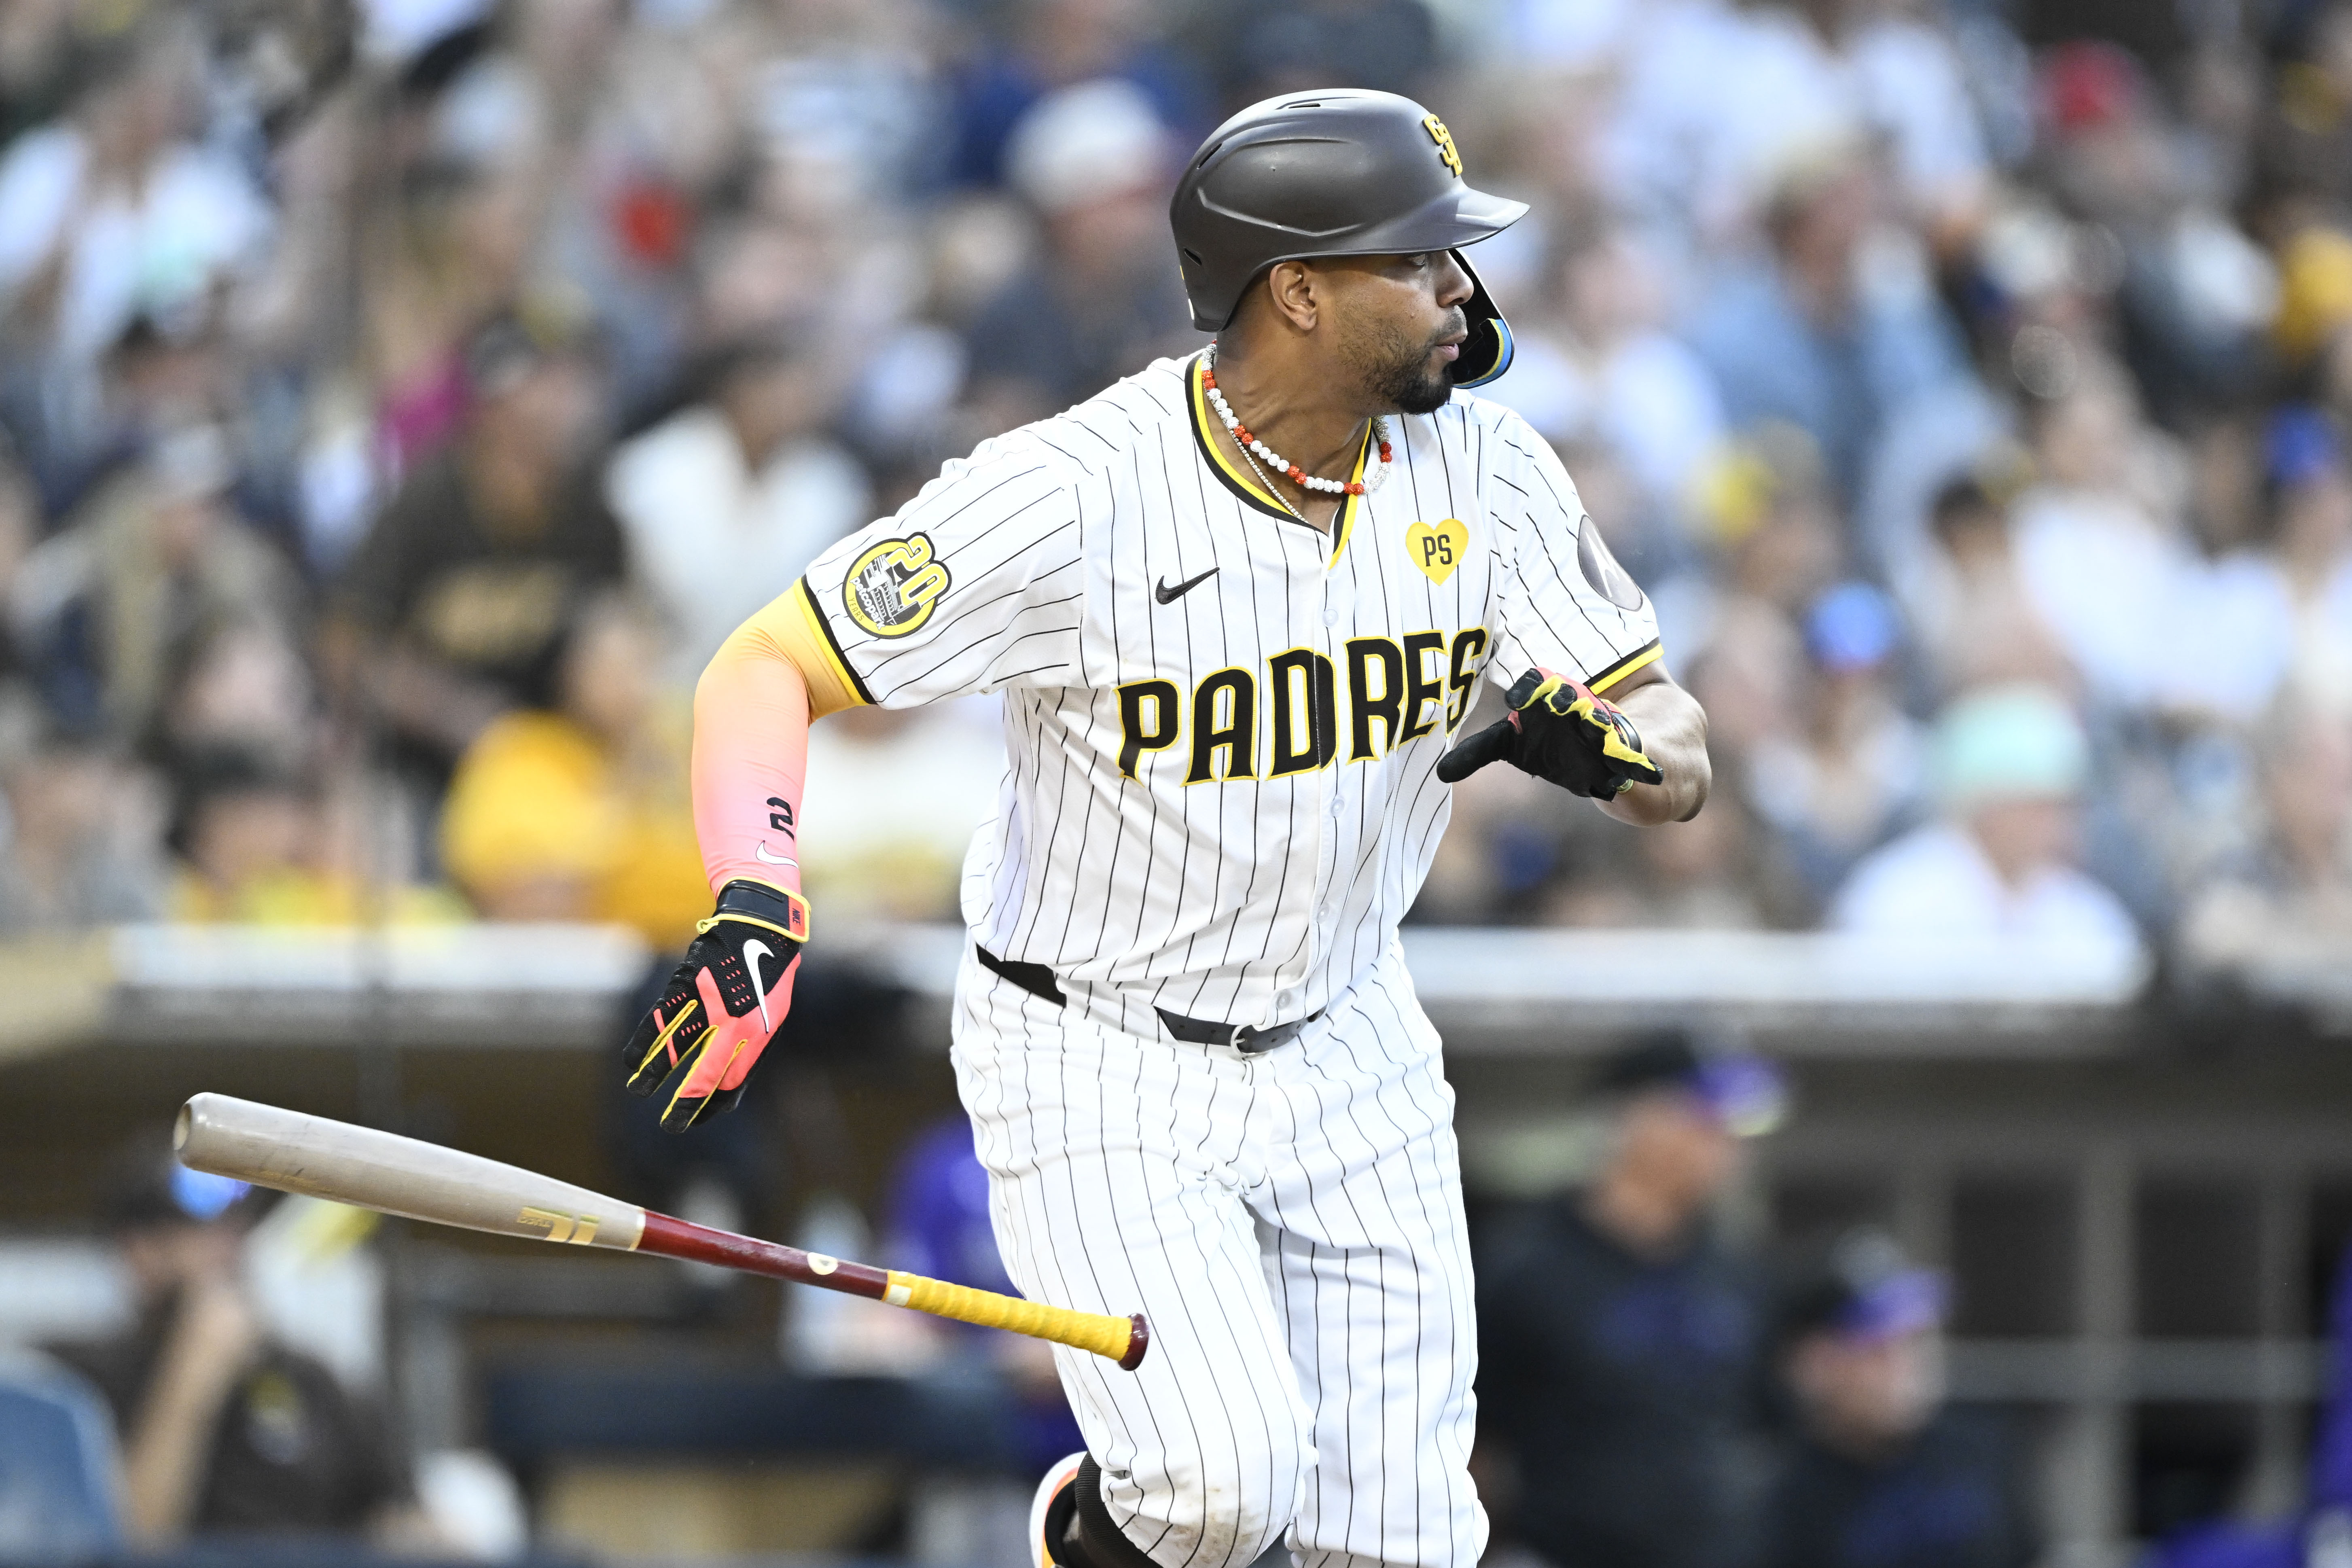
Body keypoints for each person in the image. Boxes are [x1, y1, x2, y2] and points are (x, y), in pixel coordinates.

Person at [614, 89, 1712, 1568]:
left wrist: (1622, 758)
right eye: (1420, 260)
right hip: (1097, 1044)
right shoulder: (1071, 494)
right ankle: (1099, 1531)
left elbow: (1679, 751)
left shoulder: (1489, 469)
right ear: (1300, 290)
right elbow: (764, 662)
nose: (1461, 289)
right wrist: (758, 899)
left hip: (1346, 1030)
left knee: (1400, 1540)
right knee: (1218, 1491)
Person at [1477, 1036, 1786, 1568]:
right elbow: (1473, 1440)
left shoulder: (1733, 1269)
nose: (1727, 1143)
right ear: (1634, 1119)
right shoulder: (1527, 1263)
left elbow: (1756, 1426)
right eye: (1703, 1119)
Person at [44, 1145, 422, 1548]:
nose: (230, 1249)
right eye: (203, 1233)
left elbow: (394, 1516)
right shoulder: (75, 1383)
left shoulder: (310, 1379)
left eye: (236, 1228)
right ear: (140, 1251)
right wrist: (193, 1372)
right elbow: (131, 1542)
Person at [1763, 1231, 2035, 1568]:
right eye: (1877, 1347)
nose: (1904, 1363)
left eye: (1914, 1338)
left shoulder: (1979, 1451)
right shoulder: (1774, 1498)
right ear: (1813, 1364)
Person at [1829, 682, 2139, 954]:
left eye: (2067, 808)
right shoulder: (1897, 901)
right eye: (2040, 808)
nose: (2060, 826)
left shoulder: (2082, 915)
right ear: (1989, 808)